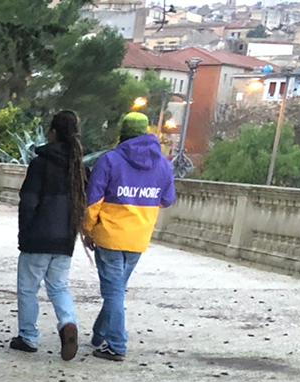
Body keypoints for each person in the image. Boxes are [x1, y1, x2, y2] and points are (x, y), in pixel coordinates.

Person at [82, 111, 177, 362]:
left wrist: (88, 229)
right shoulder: (163, 164)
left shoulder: (109, 160)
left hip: (110, 236)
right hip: (138, 238)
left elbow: (93, 202)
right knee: (117, 290)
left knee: (113, 292)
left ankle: (117, 344)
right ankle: (99, 334)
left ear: (123, 133)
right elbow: (167, 200)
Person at [10, 110, 88, 360]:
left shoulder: (40, 164)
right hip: (65, 239)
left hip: (38, 237)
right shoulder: (79, 168)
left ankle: (28, 337)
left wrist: (25, 234)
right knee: (59, 286)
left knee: (28, 288)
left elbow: (28, 201)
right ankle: (68, 322)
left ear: (52, 133)